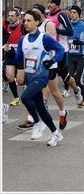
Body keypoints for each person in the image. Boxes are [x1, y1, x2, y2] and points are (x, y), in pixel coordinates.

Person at [6, 10, 64, 146]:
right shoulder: (23, 39)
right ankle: (56, 133)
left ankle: (37, 122)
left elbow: (60, 49)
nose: (25, 23)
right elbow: (18, 58)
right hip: (29, 77)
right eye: (24, 20)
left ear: (37, 22)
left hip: (42, 77)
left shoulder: (45, 38)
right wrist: (10, 55)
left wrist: (53, 60)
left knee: (25, 97)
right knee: (41, 108)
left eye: (29, 20)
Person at [46, 0, 83, 105]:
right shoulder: (47, 16)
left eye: (52, 3)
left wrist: (56, 30)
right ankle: (45, 102)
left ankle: (76, 90)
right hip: (50, 51)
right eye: (48, 2)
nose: (49, 5)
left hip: (61, 49)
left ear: (57, 4)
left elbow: (70, 31)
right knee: (48, 75)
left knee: (65, 76)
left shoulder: (61, 15)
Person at [68, 5, 84, 107]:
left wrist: (81, 43)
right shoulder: (67, 26)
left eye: (74, 12)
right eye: (71, 12)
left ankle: (83, 100)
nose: (72, 14)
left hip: (81, 55)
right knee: (69, 78)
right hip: (70, 55)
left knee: (78, 79)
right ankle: (77, 93)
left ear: (78, 14)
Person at [4, 9, 26, 106]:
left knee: (20, 80)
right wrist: (6, 49)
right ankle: (16, 98)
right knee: (9, 76)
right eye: (9, 15)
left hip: (21, 56)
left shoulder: (22, 27)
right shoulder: (7, 27)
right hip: (11, 56)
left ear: (18, 17)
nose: (10, 18)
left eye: (13, 16)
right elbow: (7, 41)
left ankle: (32, 84)